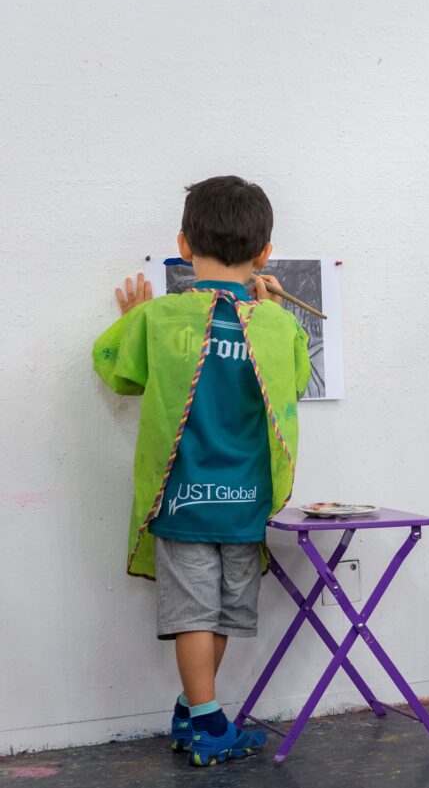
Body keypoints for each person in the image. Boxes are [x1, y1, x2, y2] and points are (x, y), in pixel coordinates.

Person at [93, 176, 311, 764]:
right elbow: (292, 384)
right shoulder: (280, 325)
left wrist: (132, 320)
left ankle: (199, 715)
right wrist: (262, 313)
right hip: (245, 499)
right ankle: (205, 718)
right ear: (265, 253)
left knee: (192, 611)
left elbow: (116, 371)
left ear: (184, 245)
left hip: (182, 494)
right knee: (218, 613)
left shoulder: (160, 319)